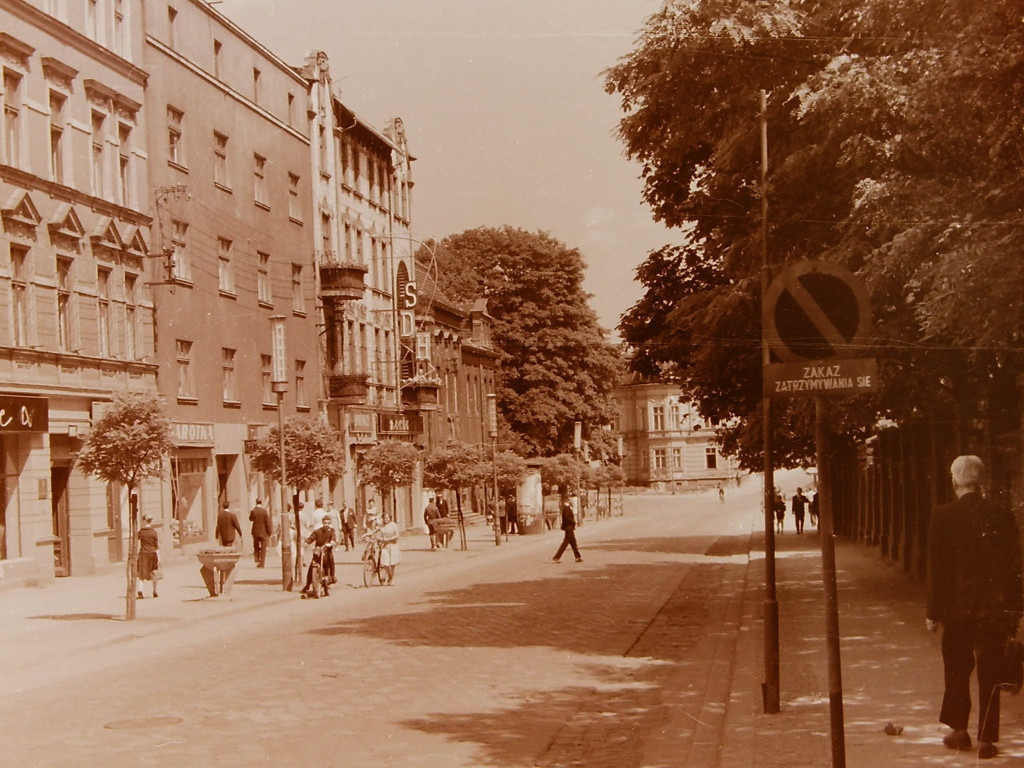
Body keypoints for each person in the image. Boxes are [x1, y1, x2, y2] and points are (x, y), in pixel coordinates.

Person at [926, 455, 1022, 760]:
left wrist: (933, 611)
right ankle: (987, 739)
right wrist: (1017, 609)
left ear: (954, 480)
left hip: (957, 608)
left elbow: (937, 567)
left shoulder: (942, 515)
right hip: (993, 607)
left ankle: (959, 730)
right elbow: (1014, 566)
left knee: (956, 667)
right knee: (991, 671)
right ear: (980, 481)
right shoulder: (1001, 514)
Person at [301, 514, 337, 596]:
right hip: (318, 551)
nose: (326, 525)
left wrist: (332, 542)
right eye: (325, 523)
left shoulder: (331, 531)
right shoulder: (318, 531)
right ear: (322, 523)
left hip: (327, 551)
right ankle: (308, 584)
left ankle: (332, 576)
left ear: (330, 523)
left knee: (331, 560)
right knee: (312, 566)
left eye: (328, 523)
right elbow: (312, 537)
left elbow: (333, 538)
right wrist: (306, 542)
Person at [136, 515, 160, 599]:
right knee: (154, 572)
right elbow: (156, 546)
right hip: (153, 553)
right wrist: (159, 557)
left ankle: (140, 590)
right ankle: (154, 591)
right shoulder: (154, 532)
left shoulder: (141, 532)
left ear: (144, 521)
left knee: (142, 573)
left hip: (143, 554)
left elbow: (135, 542)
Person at [552, 498, 582, 563]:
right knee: (565, 543)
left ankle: (577, 557)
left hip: (569, 527)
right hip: (569, 527)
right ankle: (557, 557)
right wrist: (573, 521)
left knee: (573, 542)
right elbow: (567, 517)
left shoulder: (567, 508)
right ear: (567, 501)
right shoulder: (567, 508)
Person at [378, 511, 401, 585]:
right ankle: (390, 577)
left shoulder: (393, 525)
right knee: (385, 563)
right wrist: (380, 539)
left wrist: (388, 539)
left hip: (393, 545)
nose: (385, 519)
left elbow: (397, 535)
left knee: (392, 563)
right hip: (385, 546)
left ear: (389, 518)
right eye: (384, 518)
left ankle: (391, 579)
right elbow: (378, 535)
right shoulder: (381, 526)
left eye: (387, 518)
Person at [249, 498, 272, 568]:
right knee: (263, 548)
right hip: (263, 532)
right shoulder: (264, 511)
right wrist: (269, 532)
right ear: (261, 503)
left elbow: (250, 519)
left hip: (255, 531)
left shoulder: (253, 511)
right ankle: (262, 563)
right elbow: (267, 522)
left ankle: (257, 558)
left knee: (256, 546)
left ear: (256, 502)